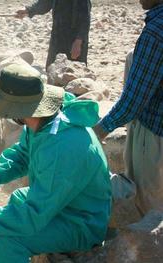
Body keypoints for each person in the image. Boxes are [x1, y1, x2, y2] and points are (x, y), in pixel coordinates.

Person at [0, 64, 111, 263]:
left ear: (18, 109)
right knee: (16, 204)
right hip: (61, 205)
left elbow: (33, 215)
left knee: (10, 243)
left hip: (80, 221)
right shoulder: (45, 121)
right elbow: (22, 155)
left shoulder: (61, 146)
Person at [93, 0, 163, 216]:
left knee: (148, 208)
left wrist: (98, 131)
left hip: (154, 133)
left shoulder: (156, 31)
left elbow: (133, 100)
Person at [15, 0, 91, 70]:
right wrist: (27, 10)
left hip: (74, 39)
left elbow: (85, 18)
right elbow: (45, 3)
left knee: (74, 73)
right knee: (52, 70)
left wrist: (78, 42)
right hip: (57, 36)